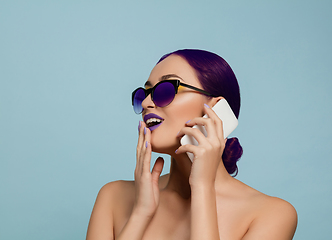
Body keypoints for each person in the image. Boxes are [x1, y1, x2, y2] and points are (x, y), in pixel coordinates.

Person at [86, 49, 298, 240]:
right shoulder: (113, 197)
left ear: (215, 109)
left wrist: (202, 189)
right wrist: (141, 213)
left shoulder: (271, 214)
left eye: (166, 90)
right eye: (145, 93)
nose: (146, 103)